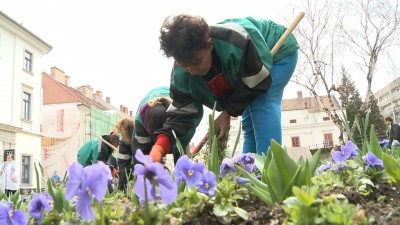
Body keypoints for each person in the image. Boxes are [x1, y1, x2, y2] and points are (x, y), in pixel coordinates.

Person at [153, 14, 299, 160]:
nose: (192, 71)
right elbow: (182, 114)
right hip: (247, 78)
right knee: (248, 123)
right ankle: (250, 172)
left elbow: (257, 77)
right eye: (185, 66)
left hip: (276, 52)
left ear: (209, 44)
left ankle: (270, 172)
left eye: (197, 62)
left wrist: (227, 112)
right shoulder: (182, 73)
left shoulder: (235, 41)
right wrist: (159, 147)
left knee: (261, 105)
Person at [131, 87, 176, 163]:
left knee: (173, 157)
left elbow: (178, 145)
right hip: (146, 118)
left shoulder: (177, 116)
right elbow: (140, 152)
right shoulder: (140, 121)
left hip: (171, 106)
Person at [115, 117, 134, 191]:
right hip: (124, 169)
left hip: (128, 169)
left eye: (123, 132)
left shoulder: (132, 141)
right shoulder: (124, 141)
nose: (122, 136)